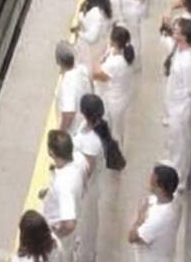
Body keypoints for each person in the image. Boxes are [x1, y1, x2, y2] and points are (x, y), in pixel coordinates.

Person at [74, 95, 122, 262]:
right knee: (87, 222)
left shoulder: (91, 143)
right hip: (92, 186)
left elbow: (86, 172)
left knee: (87, 224)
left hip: (87, 190)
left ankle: (86, 257)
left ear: (83, 113)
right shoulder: (101, 123)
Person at [163, 18, 191, 187]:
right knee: (174, 139)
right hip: (174, 104)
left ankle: (180, 178)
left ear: (184, 37)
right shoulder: (180, 49)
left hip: (182, 108)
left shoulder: (188, 61)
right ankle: (173, 164)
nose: (174, 32)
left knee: (181, 142)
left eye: (177, 31)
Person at [41, 130, 86, 260]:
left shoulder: (63, 185)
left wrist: (53, 236)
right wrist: (49, 192)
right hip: (73, 216)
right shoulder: (79, 159)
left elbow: (69, 224)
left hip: (56, 233)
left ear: (52, 153)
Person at [127, 165, 182, 262]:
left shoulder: (160, 217)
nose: (149, 181)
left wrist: (140, 218)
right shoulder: (171, 201)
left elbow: (132, 237)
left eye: (152, 181)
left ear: (160, 188)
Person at [92, 26, 135, 142]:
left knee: (114, 132)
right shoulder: (124, 53)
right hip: (121, 95)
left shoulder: (115, 63)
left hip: (114, 101)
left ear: (114, 41)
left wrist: (96, 62)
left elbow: (96, 75)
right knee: (118, 128)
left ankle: (116, 155)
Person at [55, 42, 93, 135]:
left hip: (74, 132)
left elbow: (69, 114)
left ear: (59, 62)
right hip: (87, 123)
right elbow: (92, 86)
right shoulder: (82, 69)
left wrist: (60, 133)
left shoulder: (67, 84)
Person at [75, 0, 114, 70]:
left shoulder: (96, 14)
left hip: (92, 52)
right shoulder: (105, 6)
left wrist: (79, 33)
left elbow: (92, 38)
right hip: (100, 47)